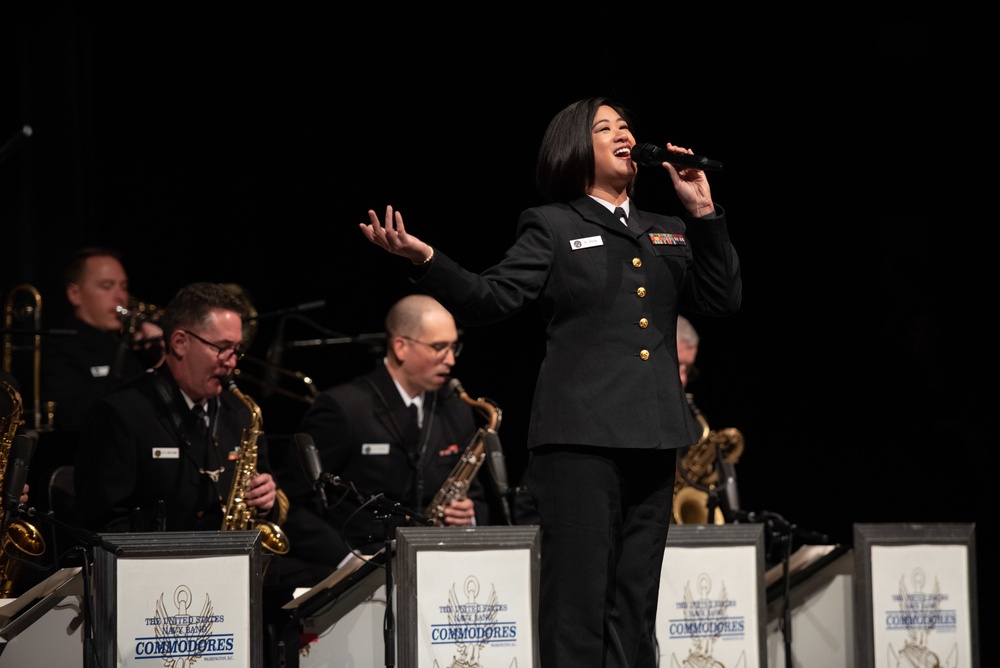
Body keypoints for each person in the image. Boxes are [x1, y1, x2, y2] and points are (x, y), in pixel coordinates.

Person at [360, 97, 742, 668]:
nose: (623, 133)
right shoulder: (555, 223)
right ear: (574, 148)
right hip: (580, 441)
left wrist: (705, 216)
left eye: (626, 126)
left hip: (656, 435)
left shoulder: (667, 229)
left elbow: (721, 299)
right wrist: (427, 258)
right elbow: (492, 298)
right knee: (579, 603)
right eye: (604, 127)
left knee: (635, 606)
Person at [271, 293, 490, 588]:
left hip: (439, 572)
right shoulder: (343, 408)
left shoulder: (456, 409)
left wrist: (470, 515)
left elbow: (476, 496)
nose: (450, 360)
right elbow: (291, 502)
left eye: (454, 347)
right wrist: (348, 563)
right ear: (401, 346)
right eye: (439, 348)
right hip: (355, 575)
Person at [41, 247, 165, 433]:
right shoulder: (58, 347)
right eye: (107, 286)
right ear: (75, 294)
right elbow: (76, 418)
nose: (120, 297)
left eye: (123, 287)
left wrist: (161, 357)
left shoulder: (134, 346)